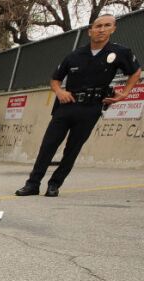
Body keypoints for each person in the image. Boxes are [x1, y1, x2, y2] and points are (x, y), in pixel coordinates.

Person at [15, 14, 140, 198]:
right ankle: (33, 184)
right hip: (66, 106)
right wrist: (59, 92)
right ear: (90, 31)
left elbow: (135, 72)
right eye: (98, 26)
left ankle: (54, 185)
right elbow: (55, 79)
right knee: (48, 145)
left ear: (113, 29)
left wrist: (126, 93)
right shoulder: (75, 55)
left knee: (72, 149)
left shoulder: (120, 53)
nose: (102, 29)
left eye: (107, 26)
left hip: (91, 108)